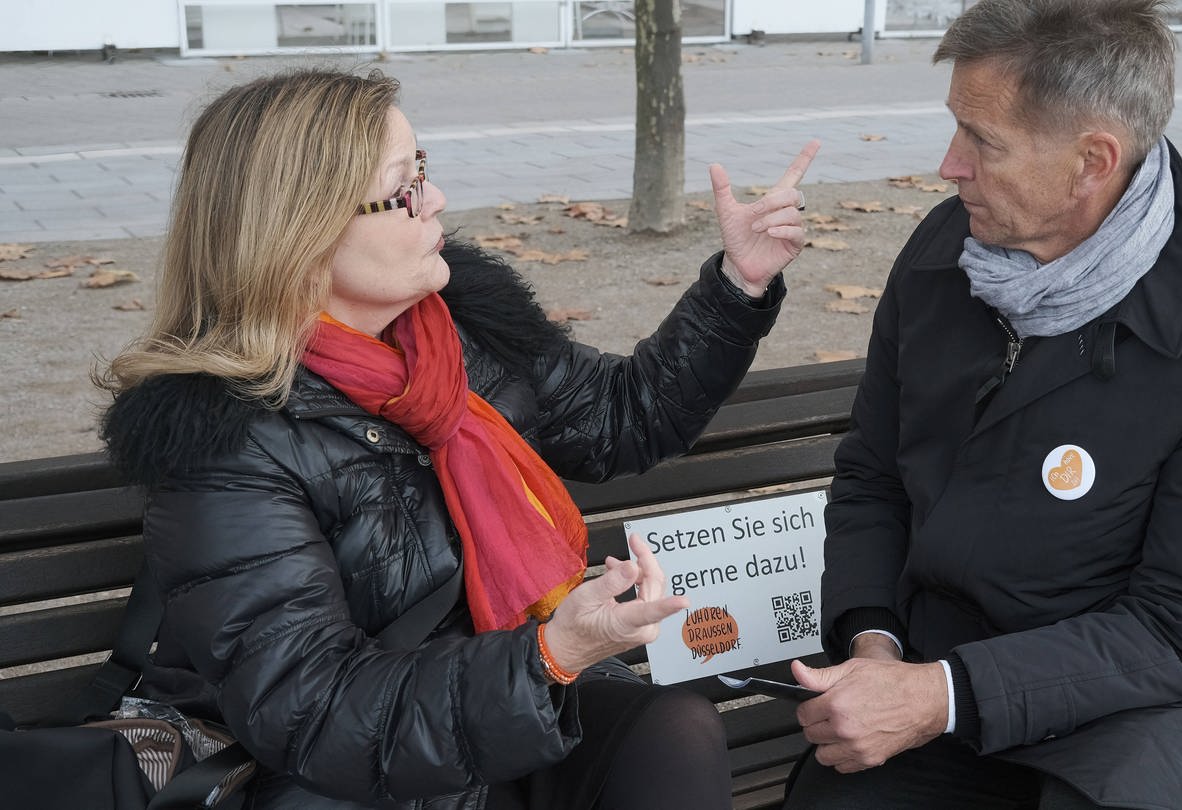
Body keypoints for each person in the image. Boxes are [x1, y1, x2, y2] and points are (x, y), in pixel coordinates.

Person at [97, 68, 819, 809]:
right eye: (403, 188)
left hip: (501, 703)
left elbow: (621, 419)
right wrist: (548, 654)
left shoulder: (456, 328)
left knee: (669, 729)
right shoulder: (224, 441)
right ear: (302, 230)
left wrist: (738, 285)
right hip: (339, 771)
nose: (434, 200)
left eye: (425, 171)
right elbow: (316, 713)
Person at [783, 1, 1182, 809]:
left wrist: (943, 694)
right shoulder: (941, 258)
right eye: (957, 129)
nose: (950, 166)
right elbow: (873, 479)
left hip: (1148, 707)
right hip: (936, 674)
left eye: (983, 141)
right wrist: (874, 642)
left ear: (1093, 160)